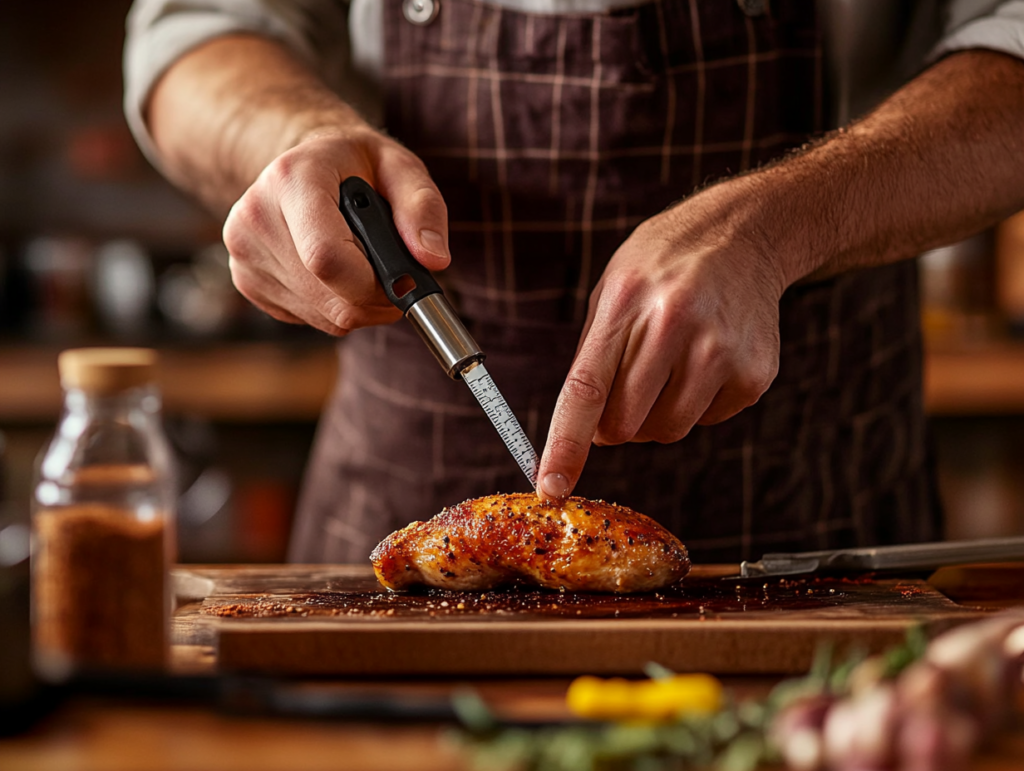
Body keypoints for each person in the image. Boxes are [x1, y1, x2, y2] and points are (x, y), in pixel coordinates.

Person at [124, 0, 1024, 564]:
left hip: (822, 521)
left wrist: (784, 223)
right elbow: (196, 30)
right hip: (395, 507)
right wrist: (287, 137)